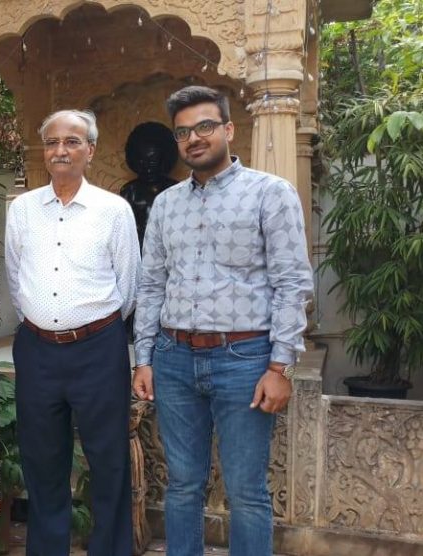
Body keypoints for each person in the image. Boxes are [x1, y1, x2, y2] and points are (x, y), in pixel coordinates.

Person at [132, 85, 314, 556]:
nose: (194, 138)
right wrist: (144, 358)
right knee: (182, 485)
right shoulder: (167, 204)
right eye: (183, 132)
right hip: (173, 359)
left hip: (245, 360)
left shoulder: (269, 193)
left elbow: (292, 283)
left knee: (246, 491)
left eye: (205, 126)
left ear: (229, 129)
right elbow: (151, 285)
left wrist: (280, 367)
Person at [5, 109, 141, 556]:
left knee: (108, 460)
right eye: (52, 142)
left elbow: (129, 286)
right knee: (42, 462)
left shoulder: (113, 210)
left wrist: (90, 328)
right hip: (38, 350)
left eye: (72, 141)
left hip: (98, 348)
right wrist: (45, 319)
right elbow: (16, 278)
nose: (60, 150)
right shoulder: (23, 209)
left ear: (90, 150)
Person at [119, 121, 179, 246]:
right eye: (142, 161)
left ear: (163, 159)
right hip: (139, 249)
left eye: (153, 161)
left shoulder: (175, 190)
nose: (148, 167)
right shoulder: (130, 191)